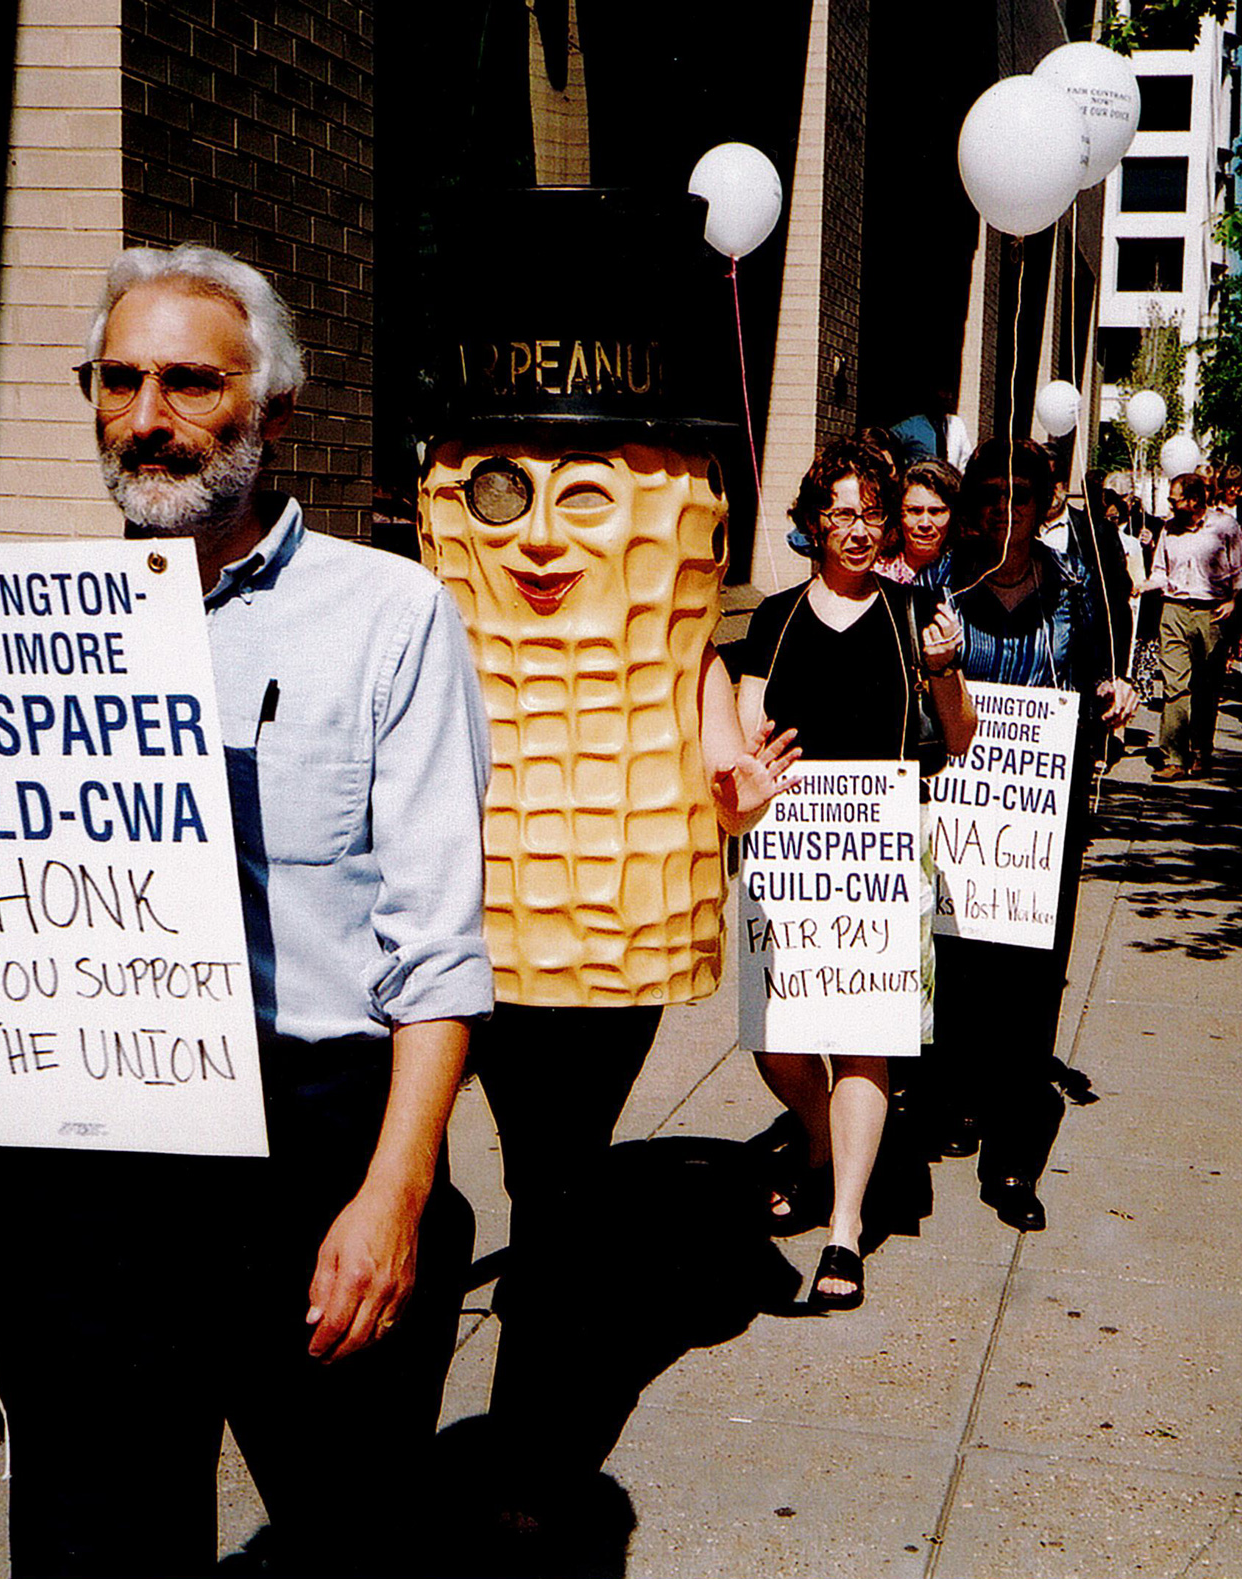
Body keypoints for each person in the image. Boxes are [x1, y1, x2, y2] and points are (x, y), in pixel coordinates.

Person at [0, 245, 490, 1577]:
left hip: (315, 1129)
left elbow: (441, 945)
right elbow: (3, 902)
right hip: (98, 1142)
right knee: (95, 1526)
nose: (149, 415)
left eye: (191, 381)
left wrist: (394, 1192)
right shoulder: (22, 623)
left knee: (350, 1523)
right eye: (120, 380)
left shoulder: (387, 615)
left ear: (274, 411)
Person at [412, 188, 798, 1526]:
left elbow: (703, 689)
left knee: (553, 1177)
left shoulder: (692, 622)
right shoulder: (424, 600)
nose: (538, 538)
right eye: (503, 491)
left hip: (611, 926)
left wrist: (734, 785)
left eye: (586, 496)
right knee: (433, 1174)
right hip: (453, 908)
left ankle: (527, 1448)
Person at [735, 439, 977, 1308]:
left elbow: (959, 736)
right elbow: (744, 726)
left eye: (872, 512)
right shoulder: (773, 617)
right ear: (811, 525)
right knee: (777, 1036)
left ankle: (843, 1232)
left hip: (878, 854)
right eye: (840, 513)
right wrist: (745, 767)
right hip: (791, 853)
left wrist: (946, 672)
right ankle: (818, 1139)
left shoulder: (917, 618)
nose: (860, 529)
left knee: (863, 1039)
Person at [920, 437, 1137, 1229]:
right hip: (952, 817)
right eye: (988, 493)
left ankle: (1012, 1157)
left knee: (1032, 980)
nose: (1002, 510)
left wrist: (1118, 692)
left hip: (1040, 823)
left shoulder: (1077, 591)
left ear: (1046, 505)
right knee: (954, 964)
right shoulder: (937, 584)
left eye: (1021, 495)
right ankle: (953, 1095)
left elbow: (1103, 676)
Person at [1143, 470, 1242, 779]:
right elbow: (1161, 571)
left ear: (1193, 500)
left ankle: (1201, 750)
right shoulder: (1168, 529)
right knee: (1175, 686)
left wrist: (1232, 602)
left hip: (1211, 613)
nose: (1170, 505)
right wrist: (1143, 585)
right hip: (1173, 611)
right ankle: (1173, 757)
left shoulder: (1225, 527)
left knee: (1206, 686)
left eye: (1173, 500)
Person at [880, 457, 959, 583]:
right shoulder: (876, 573)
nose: (925, 523)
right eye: (915, 511)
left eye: (936, 511)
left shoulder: (967, 575)